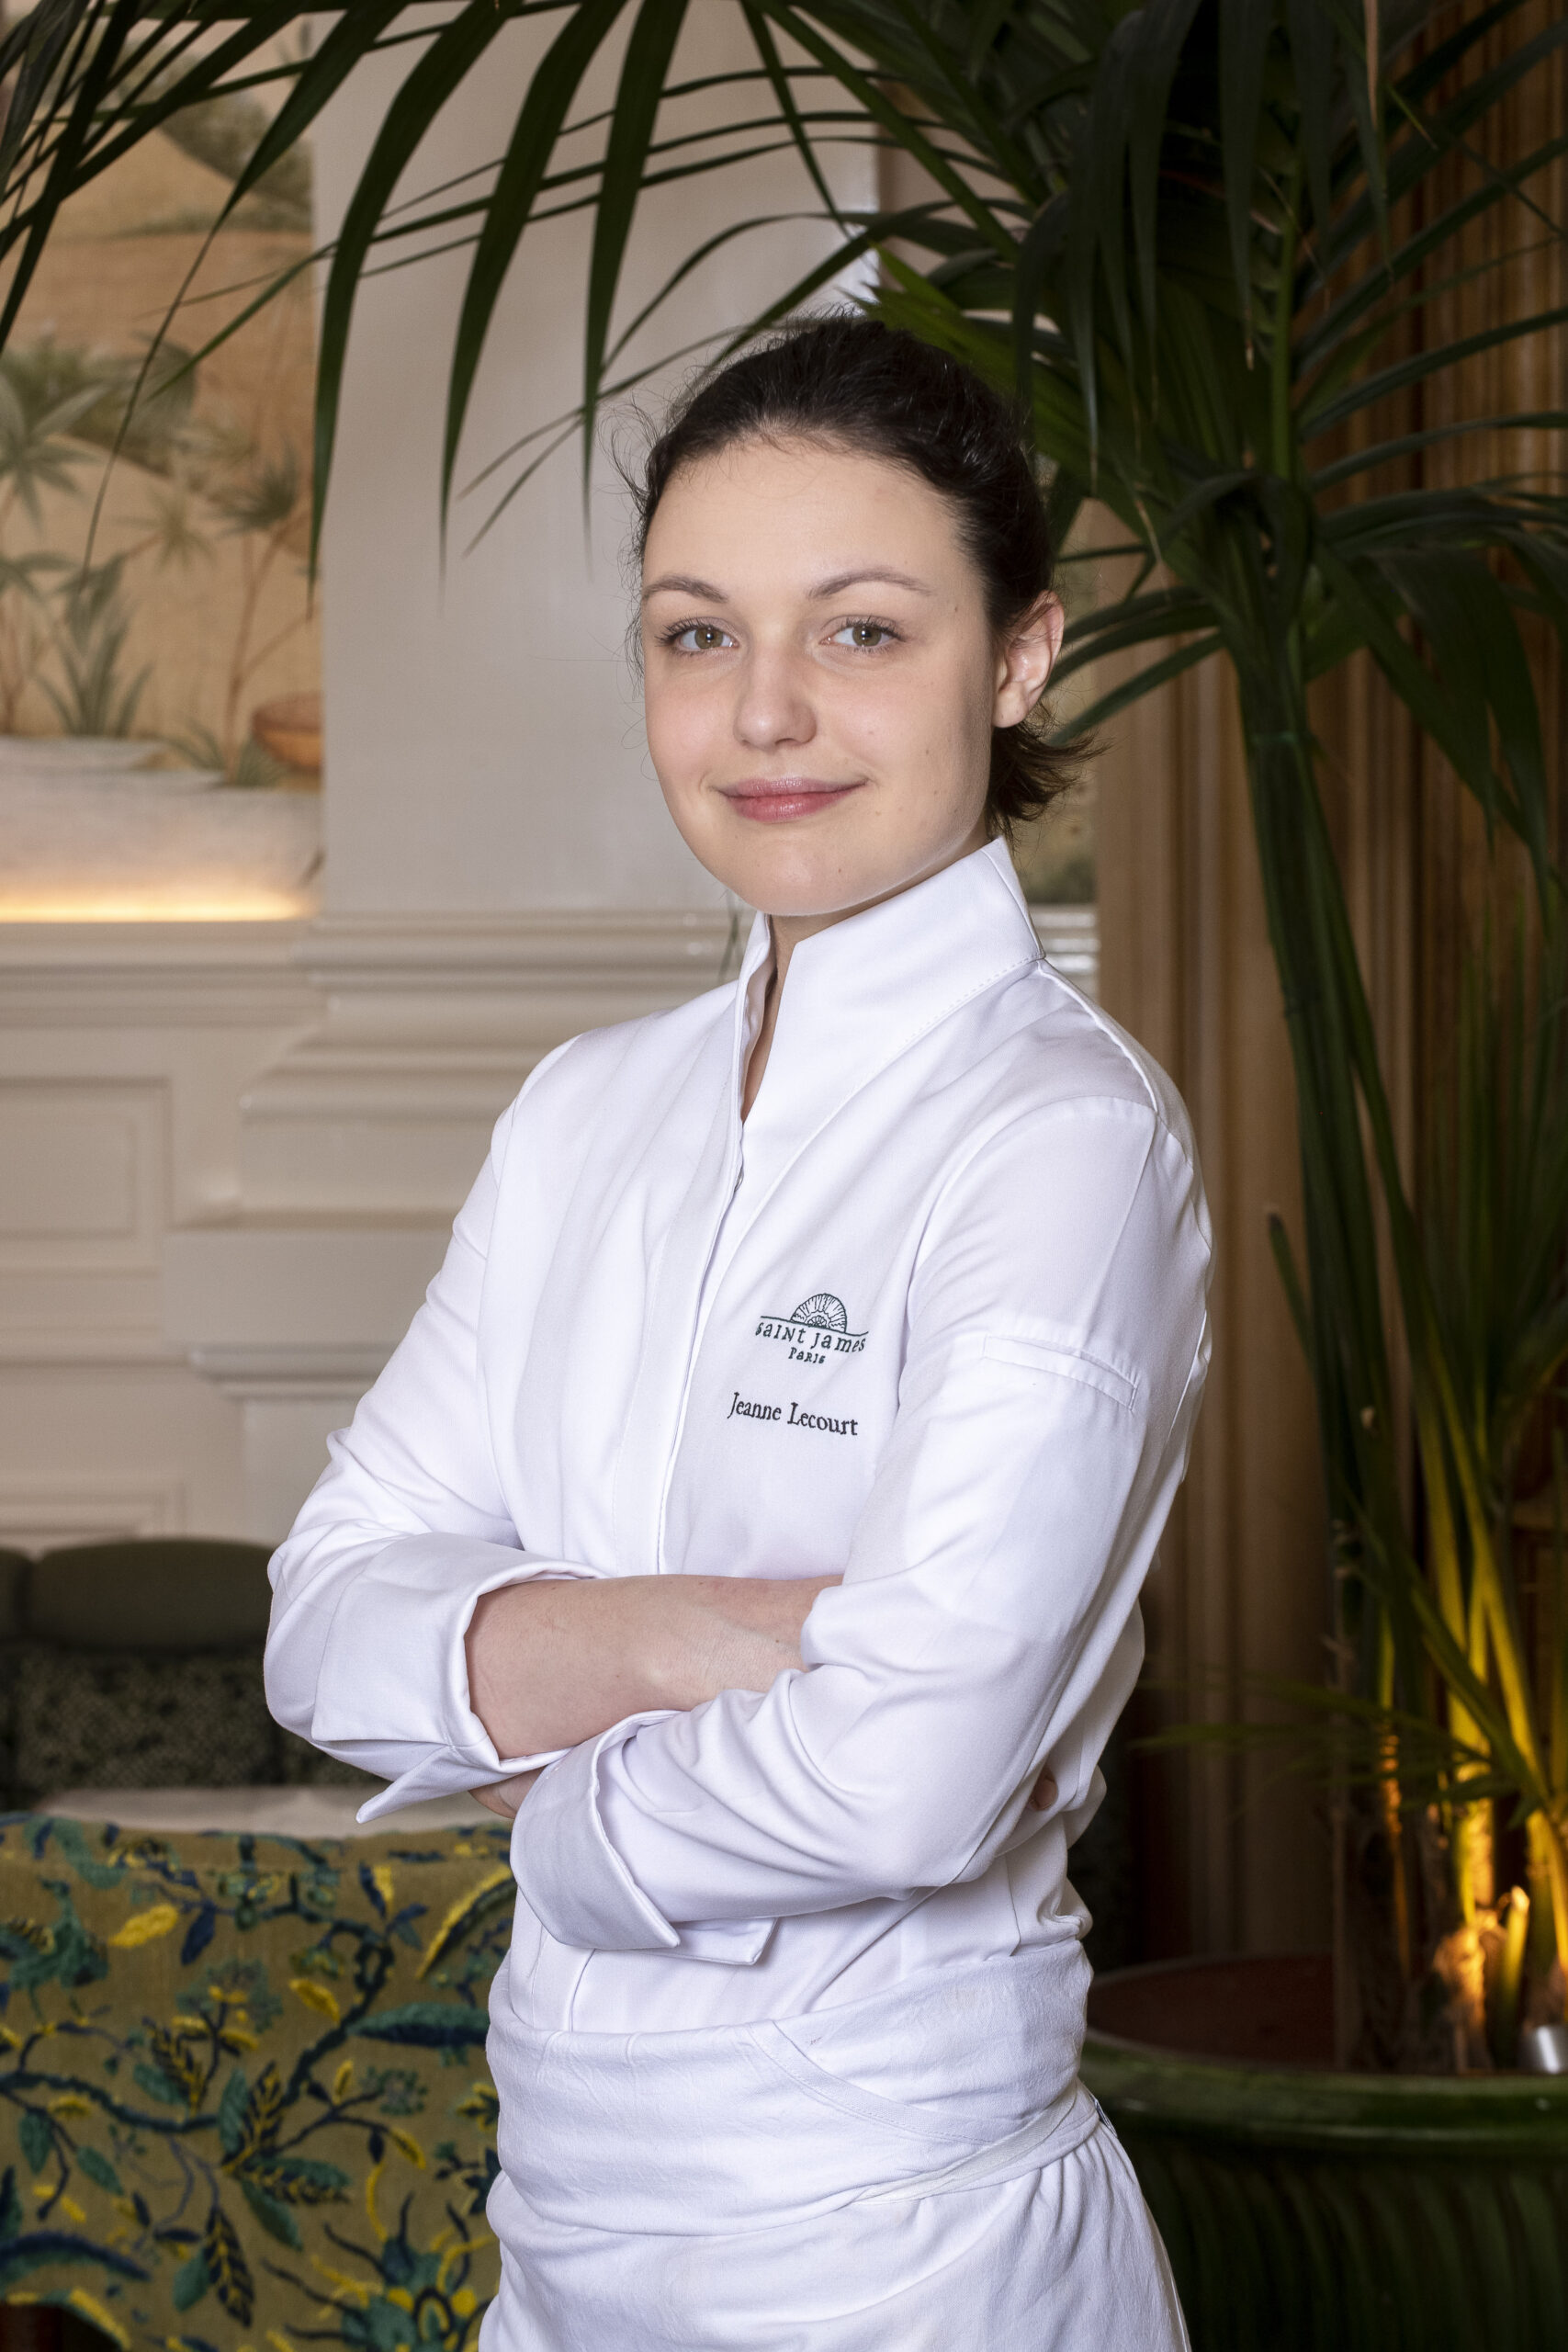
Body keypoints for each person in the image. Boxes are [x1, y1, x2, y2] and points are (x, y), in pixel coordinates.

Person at [265, 314, 1210, 2350]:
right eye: (698, 634)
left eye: (860, 630)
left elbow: (905, 1780)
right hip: (559, 2235)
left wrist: (553, 1801)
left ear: (1021, 655)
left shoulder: (1059, 1139)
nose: (766, 710)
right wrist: (697, 1637)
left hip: (904, 2246)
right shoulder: (584, 1109)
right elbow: (324, 1618)